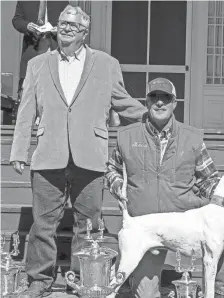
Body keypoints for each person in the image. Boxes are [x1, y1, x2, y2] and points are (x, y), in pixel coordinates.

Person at [10, 5, 146, 298]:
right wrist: (19, 149)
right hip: (48, 153)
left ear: (85, 32)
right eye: (63, 23)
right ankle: (39, 280)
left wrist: (151, 117)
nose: (67, 28)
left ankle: (82, 279)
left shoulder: (107, 64)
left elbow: (122, 101)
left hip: (90, 153)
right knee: (43, 223)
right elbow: (26, 111)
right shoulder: (37, 64)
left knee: (88, 224)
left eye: (73, 25)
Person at [106, 78, 224, 298]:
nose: (160, 103)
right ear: (147, 102)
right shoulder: (127, 136)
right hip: (146, 225)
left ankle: (218, 291)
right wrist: (117, 185)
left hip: (185, 221)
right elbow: (112, 170)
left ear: (175, 103)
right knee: (146, 296)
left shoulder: (191, 138)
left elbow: (208, 179)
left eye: (166, 98)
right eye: (154, 97)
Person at [11, 1, 69, 122]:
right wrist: (27, 26)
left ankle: (50, 117)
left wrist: (59, 28)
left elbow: (68, 21)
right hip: (33, 46)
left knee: (54, 83)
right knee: (29, 84)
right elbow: (16, 20)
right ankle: (29, 118)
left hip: (53, 45)